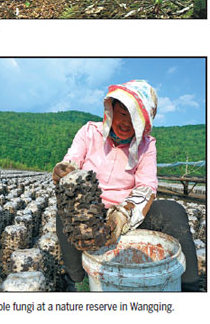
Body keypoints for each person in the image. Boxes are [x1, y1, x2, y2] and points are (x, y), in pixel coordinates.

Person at [52, 80, 199, 291]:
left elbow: (146, 187)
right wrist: (65, 169)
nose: (126, 123)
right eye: (122, 113)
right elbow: (72, 160)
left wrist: (122, 216)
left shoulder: (147, 146)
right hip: (93, 210)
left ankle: (190, 285)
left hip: (128, 214)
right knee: (64, 214)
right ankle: (78, 280)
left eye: (135, 118)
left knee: (173, 211)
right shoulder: (89, 132)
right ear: (111, 110)